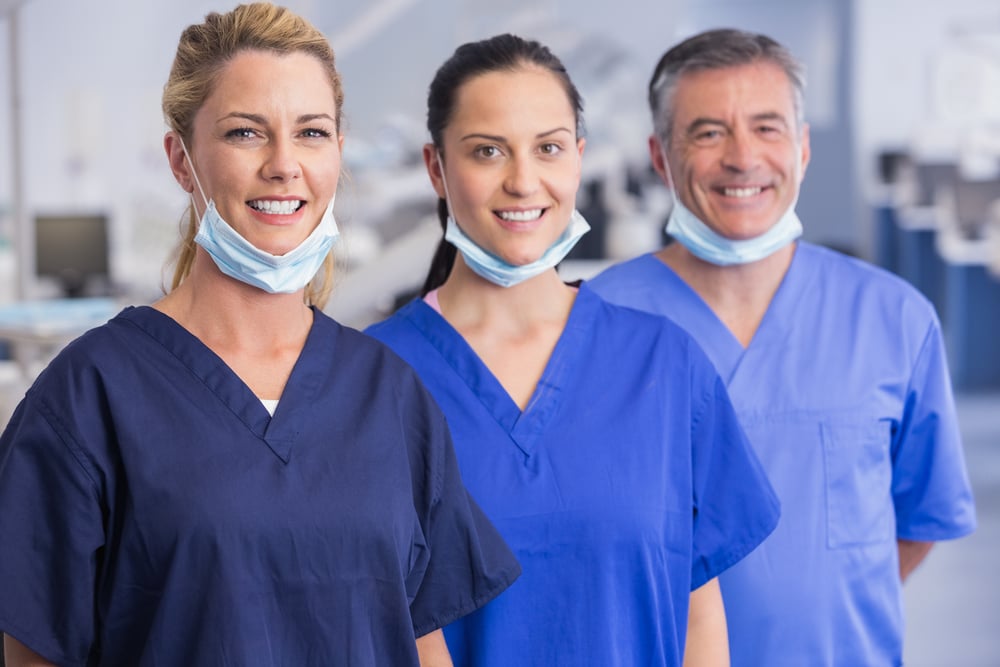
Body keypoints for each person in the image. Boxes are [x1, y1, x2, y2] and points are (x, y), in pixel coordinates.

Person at [0, 4, 520, 665]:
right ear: (181, 160)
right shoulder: (89, 397)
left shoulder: (388, 396)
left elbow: (419, 641)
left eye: (311, 132)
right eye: (246, 133)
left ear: (337, 151)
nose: (284, 164)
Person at [365, 33, 780, 666]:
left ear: (578, 159)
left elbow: (698, 615)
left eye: (549, 148)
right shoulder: (372, 380)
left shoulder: (664, 366)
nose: (523, 180)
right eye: (487, 151)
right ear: (436, 168)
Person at [588, 28, 978, 666]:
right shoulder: (596, 320)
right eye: (708, 132)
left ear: (801, 148)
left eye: (767, 129)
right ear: (660, 156)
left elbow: (915, 524)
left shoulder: (894, 318)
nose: (743, 158)